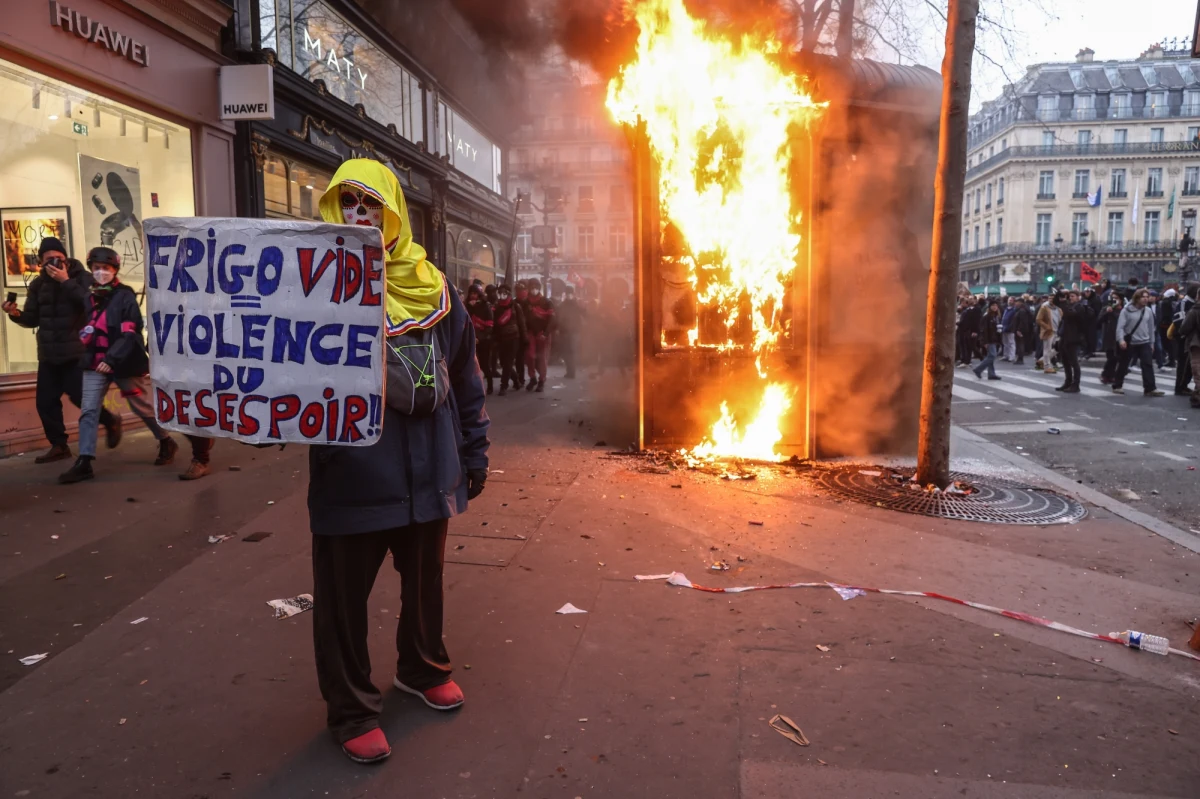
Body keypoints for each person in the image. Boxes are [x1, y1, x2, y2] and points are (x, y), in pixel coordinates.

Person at [309, 159, 490, 764]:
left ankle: (421, 666)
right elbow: (278, 375)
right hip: (354, 474)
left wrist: (473, 451)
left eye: (371, 204)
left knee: (425, 585)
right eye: (348, 204)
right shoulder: (313, 288)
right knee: (342, 601)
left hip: (429, 471)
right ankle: (353, 709)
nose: (360, 215)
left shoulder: (435, 286)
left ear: (393, 213)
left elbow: (466, 377)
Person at [57, 247, 178, 483]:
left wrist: (111, 359)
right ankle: (85, 461)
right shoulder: (89, 297)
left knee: (141, 406)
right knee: (89, 410)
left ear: (114, 270)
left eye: (106, 268)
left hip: (123, 362)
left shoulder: (125, 296)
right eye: (96, 268)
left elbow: (131, 332)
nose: (101, 272)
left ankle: (165, 440)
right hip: (94, 361)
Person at [2, 237, 121, 463]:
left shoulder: (83, 278)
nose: (54, 264)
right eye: (49, 260)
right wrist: (15, 314)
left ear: (66, 259)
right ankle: (59, 445)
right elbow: (32, 318)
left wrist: (66, 281)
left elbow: (92, 304)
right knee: (45, 402)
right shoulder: (38, 285)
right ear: (40, 262)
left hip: (76, 352)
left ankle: (110, 420)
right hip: (48, 354)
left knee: (81, 398)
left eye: (58, 259)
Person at [1112, 288, 1165, 396]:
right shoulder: (1126, 310)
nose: (1146, 299)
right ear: (1137, 298)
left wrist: (1152, 343)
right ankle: (1117, 385)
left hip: (1144, 341)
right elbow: (1120, 327)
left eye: (1147, 297)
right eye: (1143, 297)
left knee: (1147, 364)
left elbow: (1151, 328)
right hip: (1130, 341)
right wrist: (1121, 340)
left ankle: (1150, 388)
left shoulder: (1148, 311)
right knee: (1123, 364)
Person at [523, 278, 555, 392]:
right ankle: (532, 378)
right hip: (531, 333)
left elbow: (552, 319)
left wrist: (546, 333)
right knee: (530, 356)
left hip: (543, 333)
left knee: (542, 358)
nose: (533, 290)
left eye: (536, 287)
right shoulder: (526, 302)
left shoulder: (546, 302)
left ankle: (542, 380)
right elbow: (523, 319)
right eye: (531, 287)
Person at [492, 284, 525, 395]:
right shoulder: (496, 307)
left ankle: (503, 386)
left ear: (509, 294)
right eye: (500, 293)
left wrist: (524, 339)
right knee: (503, 362)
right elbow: (495, 325)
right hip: (501, 339)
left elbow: (522, 324)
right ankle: (516, 380)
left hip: (514, 338)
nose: (502, 295)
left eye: (504, 293)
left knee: (508, 362)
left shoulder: (516, 307)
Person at [1055, 290, 1086, 393]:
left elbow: (1069, 314)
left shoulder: (1080, 307)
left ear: (1078, 297)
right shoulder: (1068, 305)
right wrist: (1059, 294)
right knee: (1065, 362)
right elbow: (1057, 303)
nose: (1070, 298)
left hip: (1073, 338)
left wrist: (1064, 303)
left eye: (1072, 296)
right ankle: (1067, 382)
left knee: (1074, 362)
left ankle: (1076, 384)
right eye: (1069, 296)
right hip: (1064, 336)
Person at [465, 284, 494, 394]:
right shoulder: (467, 306)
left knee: (485, 364)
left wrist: (480, 338)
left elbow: (489, 325)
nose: (473, 296)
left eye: (475, 293)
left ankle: (490, 386)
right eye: (471, 293)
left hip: (484, 340)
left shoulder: (486, 306)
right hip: (471, 339)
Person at [1178, 284, 1200, 408]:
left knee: (1197, 370)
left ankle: (1197, 397)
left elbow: (1184, 328)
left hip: (1196, 344)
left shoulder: (1194, 310)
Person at [556, 287, 585, 379]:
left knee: (572, 351)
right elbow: (559, 318)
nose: (569, 295)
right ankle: (569, 371)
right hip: (564, 331)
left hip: (574, 331)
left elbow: (584, 314)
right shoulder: (562, 305)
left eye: (570, 293)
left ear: (573, 294)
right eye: (568, 293)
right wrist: (558, 328)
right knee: (566, 352)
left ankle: (572, 372)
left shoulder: (577, 304)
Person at [973, 300, 1003, 380]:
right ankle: (978, 369)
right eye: (993, 305)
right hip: (989, 339)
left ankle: (991, 373)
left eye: (996, 305)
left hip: (994, 339)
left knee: (990, 356)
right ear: (989, 307)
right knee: (992, 355)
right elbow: (984, 330)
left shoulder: (996, 316)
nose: (994, 307)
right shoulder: (987, 316)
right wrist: (984, 341)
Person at [1098, 293, 1125, 384]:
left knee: (1118, 358)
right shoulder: (1106, 309)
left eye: (1116, 298)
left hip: (1121, 336)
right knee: (1111, 357)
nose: (1114, 300)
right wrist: (1107, 312)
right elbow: (1099, 321)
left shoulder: (1124, 310)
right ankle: (1106, 374)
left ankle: (1111, 374)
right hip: (1109, 336)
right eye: (1112, 298)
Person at [1035, 294, 1061, 374]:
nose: (1051, 300)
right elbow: (1038, 319)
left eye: (1053, 298)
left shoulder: (1059, 308)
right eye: (1049, 298)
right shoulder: (1044, 307)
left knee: (1058, 348)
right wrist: (1047, 327)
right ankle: (1047, 366)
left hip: (1057, 331)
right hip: (1048, 331)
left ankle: (1042, 360)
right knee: (1047, 349)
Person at [957, 295, 982, 367]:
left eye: (971, 299)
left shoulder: (976, 309)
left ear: (975, 300)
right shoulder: (968, 309)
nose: (970, 300)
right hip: (965, 329)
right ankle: (965, 360)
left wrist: (975, 331)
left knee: (971, 346)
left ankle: (980, 359)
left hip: (970, 330)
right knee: (966, 345)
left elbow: (976, 321)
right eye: (969, 299)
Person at [1011, 297, 1034, 365]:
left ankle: (1020, 358)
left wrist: (1019, 330)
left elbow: (1022, 321)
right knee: (1019, 344)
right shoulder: (1021, 309)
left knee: (1020, 344)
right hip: (1021, 329)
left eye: (1017, 302)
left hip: (1020, 330)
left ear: (1020, 302)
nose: (1015, 303)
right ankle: (1019, 358)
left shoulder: (1022, 310)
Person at [1000, 297, 1017, 362]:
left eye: (1011, 300)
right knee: (1005, 343)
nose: (1010, 301)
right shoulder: (1006, 309)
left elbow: (1013, 320)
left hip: (1010, 328)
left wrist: (1009, 327)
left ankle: (1011, 356)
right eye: (1009, 300)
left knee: (1011, 343)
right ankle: (1006, 355)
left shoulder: (1013, 310)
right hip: (1004, 327)